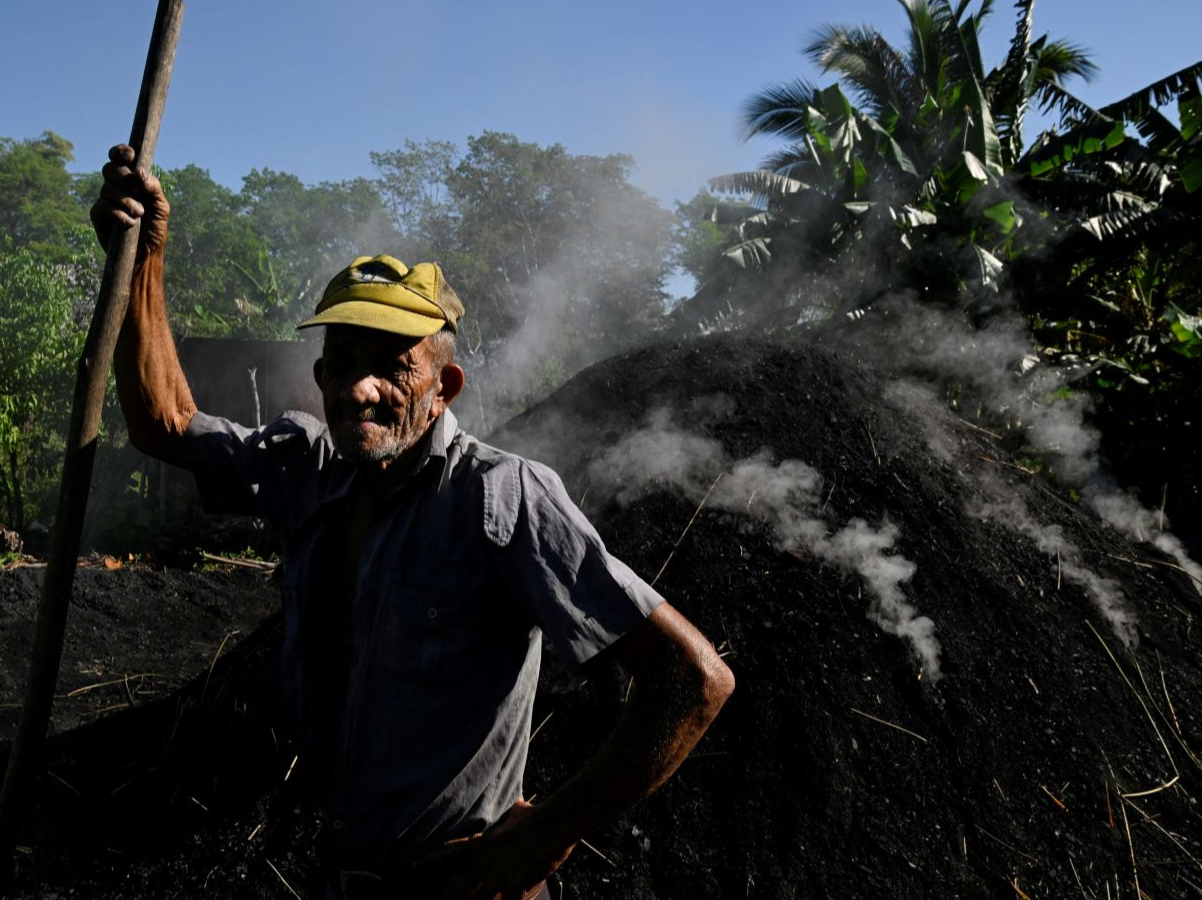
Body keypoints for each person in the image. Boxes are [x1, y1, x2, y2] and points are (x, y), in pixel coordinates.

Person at [92, 144, 733, 900]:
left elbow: (693, 680)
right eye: (344, 361)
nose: (362, 388)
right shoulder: (305, 470)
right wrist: (144, 255)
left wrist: (547, 832)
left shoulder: (502, 499)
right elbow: (166, 422)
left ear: (443, 386)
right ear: (321, 376)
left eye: (394, 365)